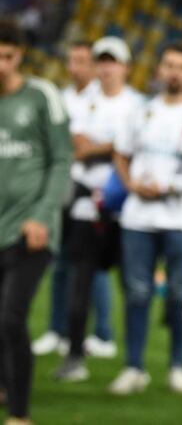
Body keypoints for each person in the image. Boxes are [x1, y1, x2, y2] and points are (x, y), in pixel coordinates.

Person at [111, 44, 182, 395]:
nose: (174, 72)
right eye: (169, 65)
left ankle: (176, 367)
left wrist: (172, 186)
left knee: (179, 295)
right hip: (138, 217)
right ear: (159, 70)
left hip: (181, 219)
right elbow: (121, 154)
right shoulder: (141, 112)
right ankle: (134, 367)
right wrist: (131, 185)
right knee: (136, 294)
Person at [53, 36, 141, 382]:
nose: (106, 67)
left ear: (125, 67)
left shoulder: (136, 104)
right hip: (87, 203)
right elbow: (74, 143)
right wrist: (107, 149)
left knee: (136, 288)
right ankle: (76, 355)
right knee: (80, 278)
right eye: (101, 61)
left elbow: (125, 150)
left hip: (124, 205)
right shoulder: (83, 100)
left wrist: (99, 148)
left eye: (112, 61)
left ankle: (133, 363)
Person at [0, 18, 72, 424]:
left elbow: (61, 159)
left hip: (30, 230)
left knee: (11, 318)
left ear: (20, 56)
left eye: (7, 57)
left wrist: (43, 215)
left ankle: (20, 414)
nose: (0, 65)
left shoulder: (42, 96)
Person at [32, 40, 117, 360]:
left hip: (95, 191)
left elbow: (81, 142)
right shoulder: (62, 97)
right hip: (64, 186)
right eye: (71, 60)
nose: (75, 67)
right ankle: (58, 330)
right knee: (59, 261)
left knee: (91, 267)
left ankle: (103, 332)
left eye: (82, 60)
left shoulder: (101, 99)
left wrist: (82, 143)